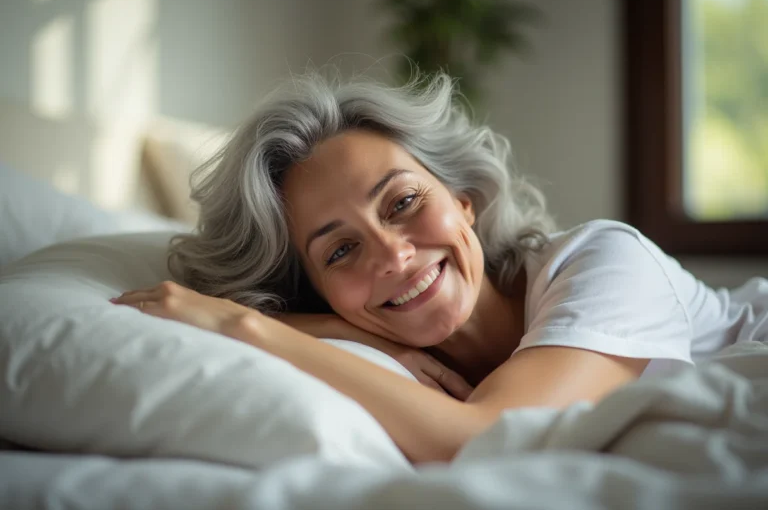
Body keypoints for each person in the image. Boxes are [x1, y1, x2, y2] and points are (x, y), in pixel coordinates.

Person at [111, 70, 768, 464]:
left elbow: (482, 438)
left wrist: (246, 327)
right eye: (340, 251)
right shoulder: (366, 341)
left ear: (462, 198)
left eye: (402, 201)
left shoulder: (602, 260)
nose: (394, 254)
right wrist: (336, 331)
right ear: (316, 291)